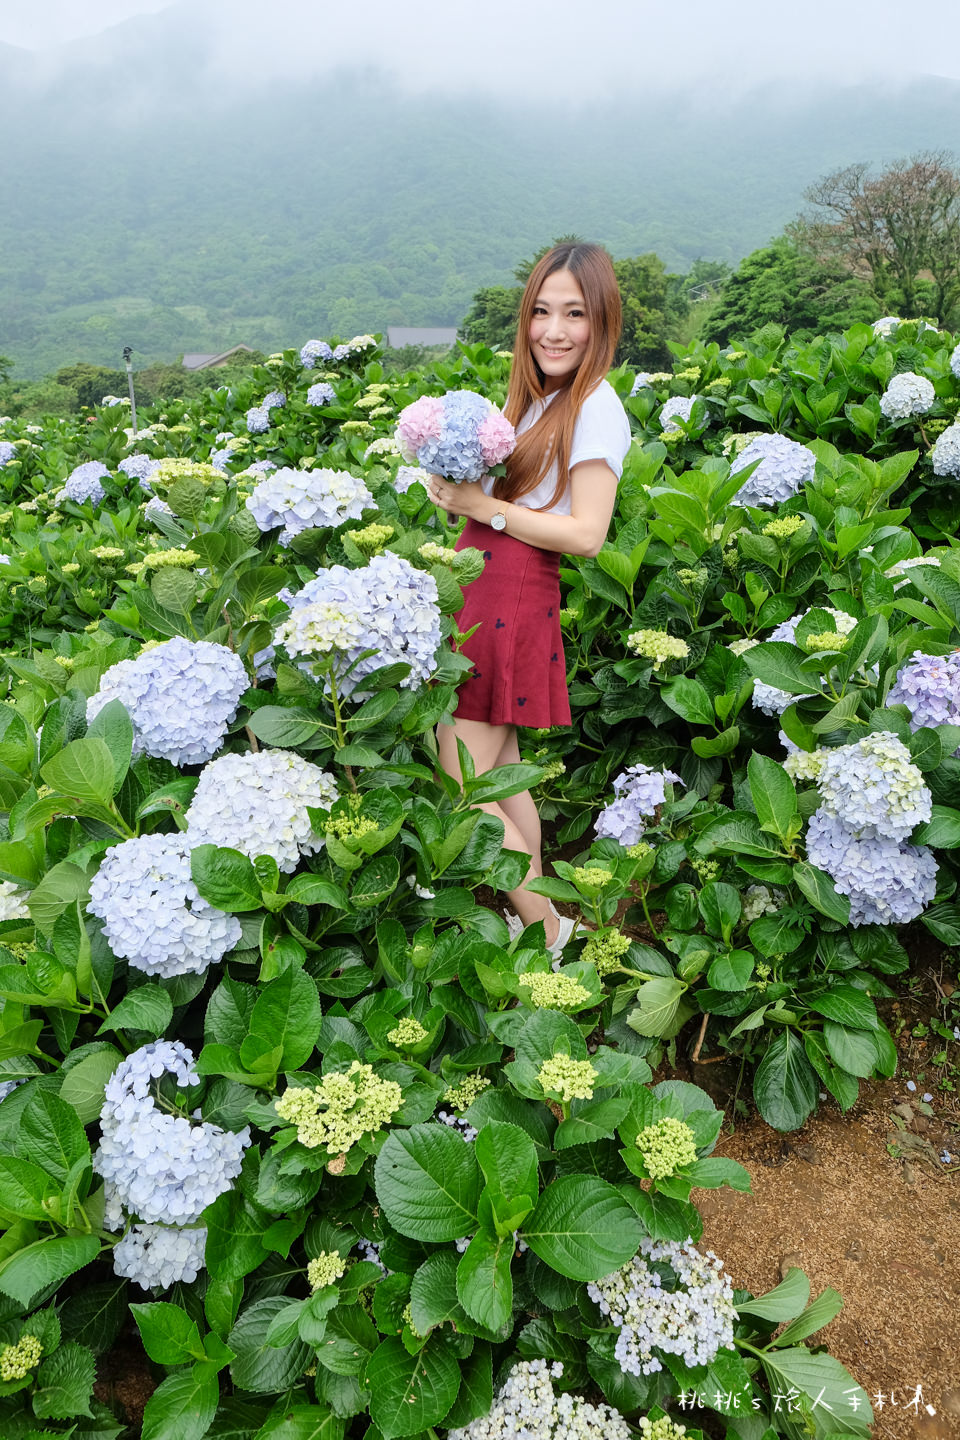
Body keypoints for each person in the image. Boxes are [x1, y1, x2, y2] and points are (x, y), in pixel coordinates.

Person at [426, 241, 631, 957]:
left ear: (602, 320)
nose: (554, 329)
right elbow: (510, 503)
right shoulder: (543, 397)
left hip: (510, 591)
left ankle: (547, 932)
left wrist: (485, 509)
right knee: (503, 772)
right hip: (491, 584)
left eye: (574, 313)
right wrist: (458, 496)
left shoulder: (596, 407)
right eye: (541, 311)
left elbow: (587, 534)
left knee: (465, 780)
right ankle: (541, 913)